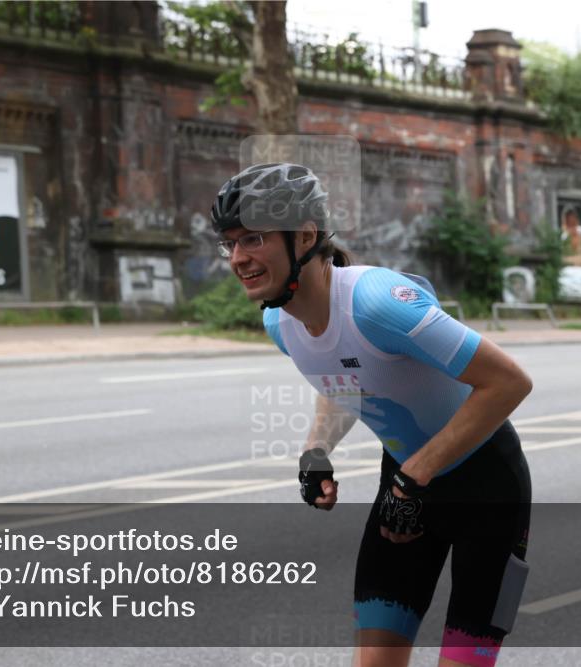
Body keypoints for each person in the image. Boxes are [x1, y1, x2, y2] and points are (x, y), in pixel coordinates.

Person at [210, 163, 534, 667]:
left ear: (306, 236)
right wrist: (316, 451)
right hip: (407, 487)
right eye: (229, 243)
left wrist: (415, 477)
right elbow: (343, 379)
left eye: (253, 239)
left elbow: (510, 382)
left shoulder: (378, 303)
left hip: (488, 489)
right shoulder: (280, 321)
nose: (238, 258)